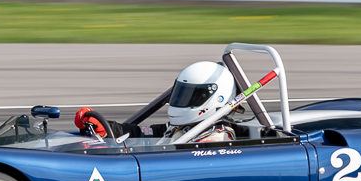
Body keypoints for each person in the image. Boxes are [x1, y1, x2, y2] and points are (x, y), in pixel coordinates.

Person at [75, 61, 238, 143]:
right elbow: (143, 133)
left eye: (192, 95)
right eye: (182, 93)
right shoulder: (186, 127)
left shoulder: (216, 139)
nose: (182, 100)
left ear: (218, 97)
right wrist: (109, 127)